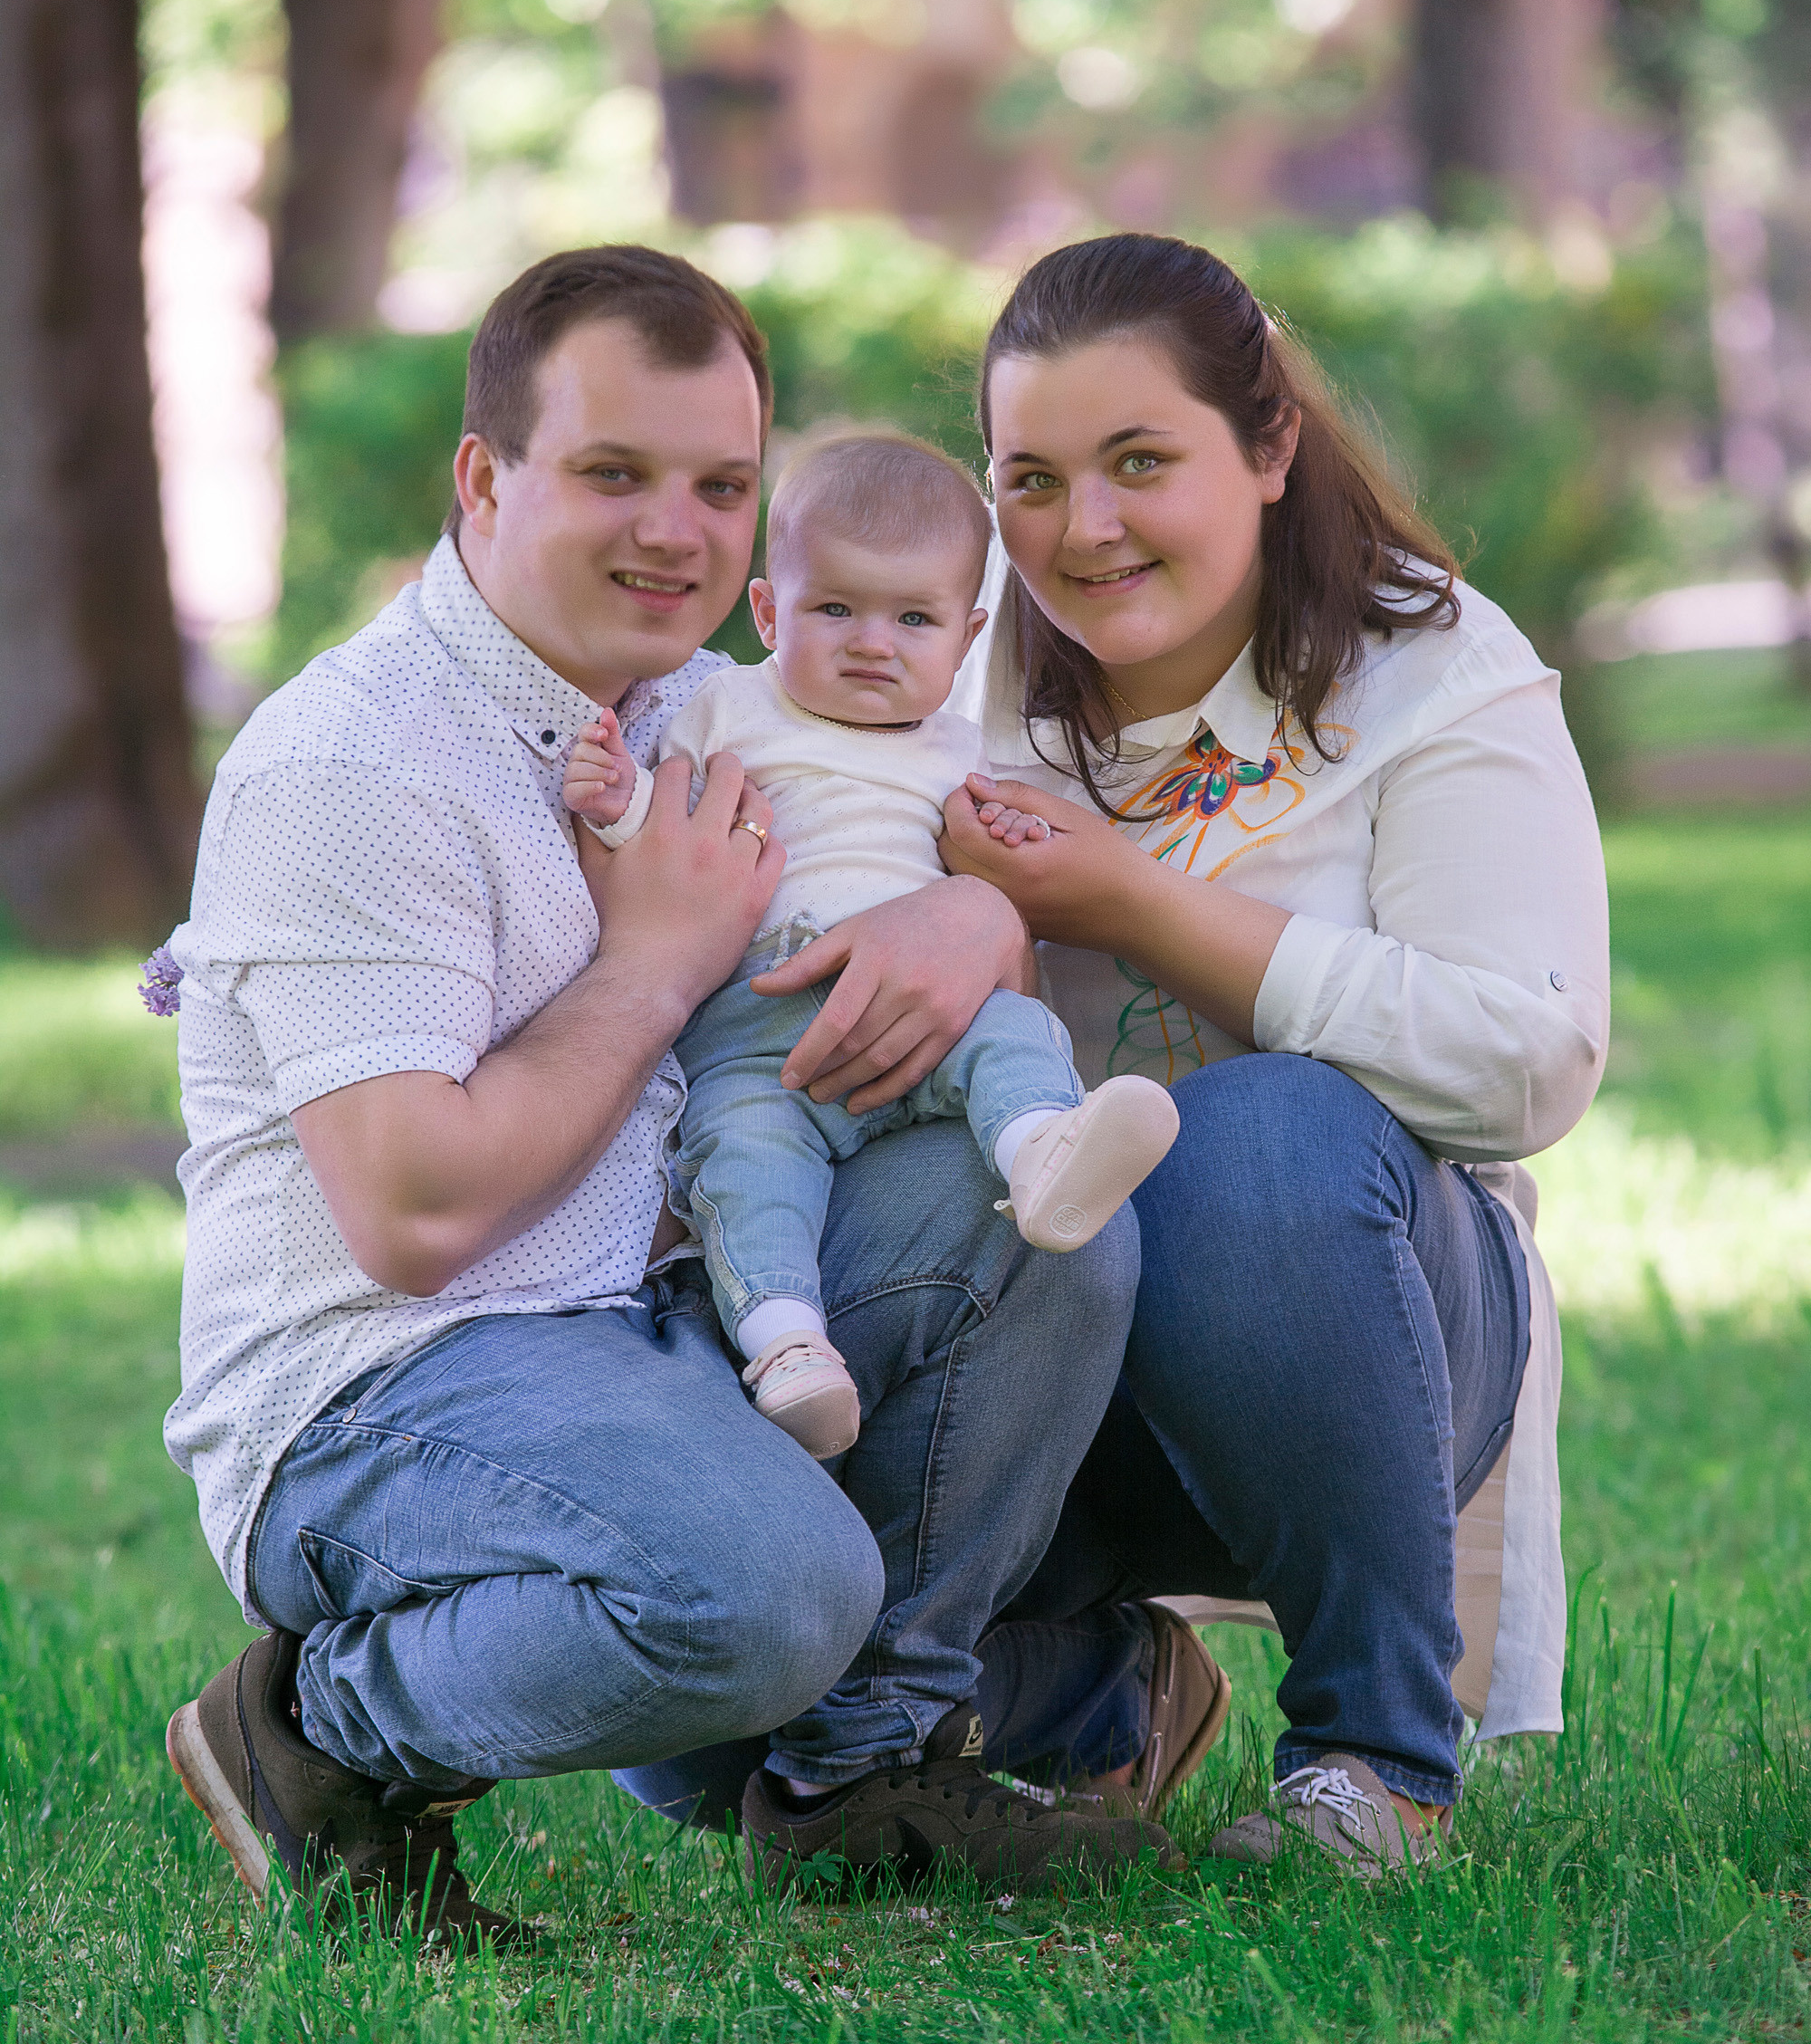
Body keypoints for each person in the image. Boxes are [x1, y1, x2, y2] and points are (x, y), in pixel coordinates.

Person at [157, 245, 1178, 1946]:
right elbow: (414, 1216)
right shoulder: (354, 767)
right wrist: (650, 962)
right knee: (772, 1591)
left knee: (1043, 1217)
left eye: (720, 487)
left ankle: (862, 1778)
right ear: (486, 480)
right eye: (614, 475)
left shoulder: (706, 704)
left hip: (658, 1311)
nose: (676, 535)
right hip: (382, 1384)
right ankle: (314, 1735)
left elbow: (912, 858)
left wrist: (970, 910)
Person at [929, 230, 1611, 1876]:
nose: (1083, 530)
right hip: (1057, 1363)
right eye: (1032, 479)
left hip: (1365, 1325)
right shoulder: (953, 692)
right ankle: (1104, 1701)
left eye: (1140, 462)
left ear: (1271, 446)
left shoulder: (1435, 671)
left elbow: (1531, 1064)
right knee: (717, 1739)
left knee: (1245, 1134)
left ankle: (1379, 1762)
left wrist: (1136, 905)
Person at [562, 426, 1179, 1459]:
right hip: (762, 1026)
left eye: (913, 619)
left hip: (919, 1023)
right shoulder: (731, 707)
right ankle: (787, 1345)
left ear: (964, 633)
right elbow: (661, 838)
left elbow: (987, 876)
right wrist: (619, 800)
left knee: (1014, 1029)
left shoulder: (957, 749)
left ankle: (1042, 1153)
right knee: (743, 1159)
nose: (871, 642)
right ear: (768, 610)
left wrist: (1009, 845)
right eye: (834, 608)